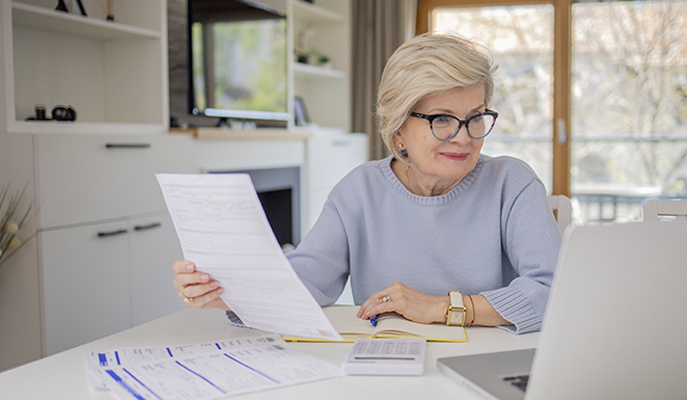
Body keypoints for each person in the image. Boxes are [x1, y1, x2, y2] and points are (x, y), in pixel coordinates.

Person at [173, 33, 561, 334]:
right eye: (441, 119)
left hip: (486, 370)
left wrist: (440, 307)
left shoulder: (512, 183)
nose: (464, 137)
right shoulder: (358, 192)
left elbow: (553, 291)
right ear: (398, 131)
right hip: (386, 370)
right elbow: (304, 279)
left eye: (476, 117)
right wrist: (230, 293)